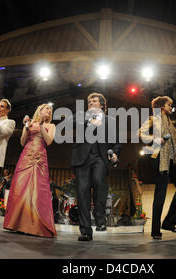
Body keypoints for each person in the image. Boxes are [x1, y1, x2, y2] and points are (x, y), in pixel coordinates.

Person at [138, 96, 176, 240]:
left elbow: (174, 145)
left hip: (173, 161)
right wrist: (154, 139)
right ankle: (155, 231)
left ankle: (168, 223)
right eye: (169, 105)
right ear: (161, 106)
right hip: (159, 158)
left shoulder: (171, 124)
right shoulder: (153, 119)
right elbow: (141, 134)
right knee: (160, 194)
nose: (171, 107)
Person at [71, 93, 121, 241]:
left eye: (94, 101)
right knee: (82, 193)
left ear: (102, 105)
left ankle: (100, 218)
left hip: (101, 157)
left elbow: (117, 141)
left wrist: (116, 154)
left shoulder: (109, 121)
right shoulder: (81, 117)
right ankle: (86, 231)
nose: (90, 103)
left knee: (99, 182)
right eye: (89, 102)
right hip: (82, 159)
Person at [3, 104, 57, 237]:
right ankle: (17, 223)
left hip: (39, 159)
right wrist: (27, 126)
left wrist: (42, 124)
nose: (49, 111)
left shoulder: (51, 126)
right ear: (40, 110)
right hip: (26, 156)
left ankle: (36, 225)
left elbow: (49, 141)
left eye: (51, 110)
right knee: (20, 188)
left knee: (38, 190)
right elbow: (22, 142)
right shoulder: (30, 123)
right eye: (47, 109)